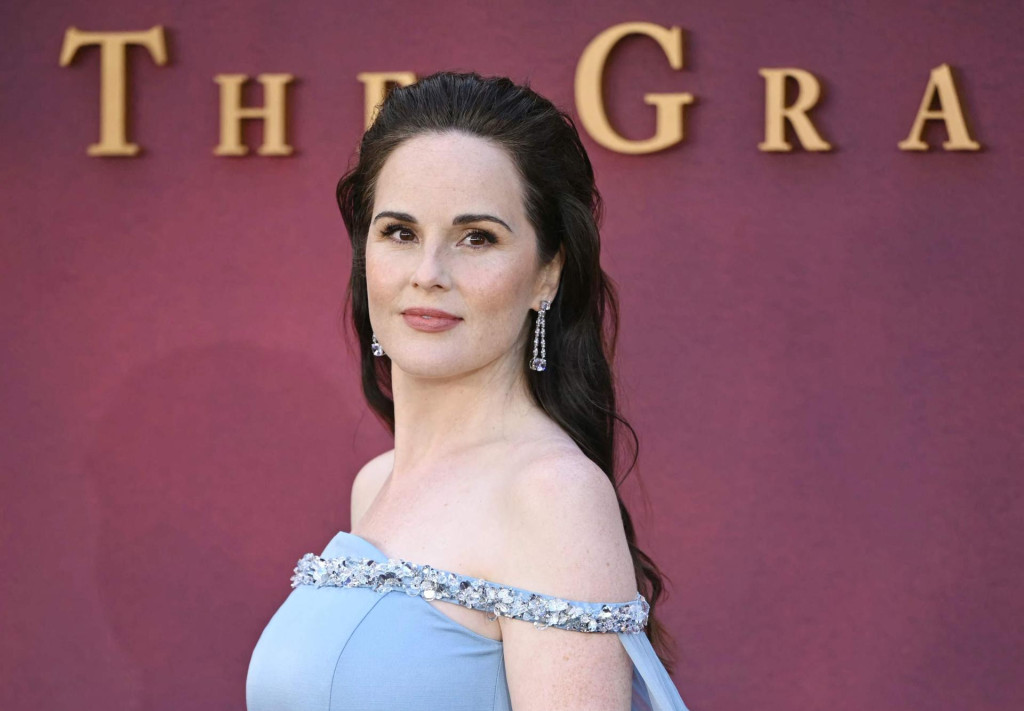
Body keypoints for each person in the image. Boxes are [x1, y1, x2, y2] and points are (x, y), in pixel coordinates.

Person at [245, 71, 690, 711]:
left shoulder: (550, 494)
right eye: (400, 233)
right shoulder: (377, 484)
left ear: (548, 274)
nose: (428, 274)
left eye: (477, 238)